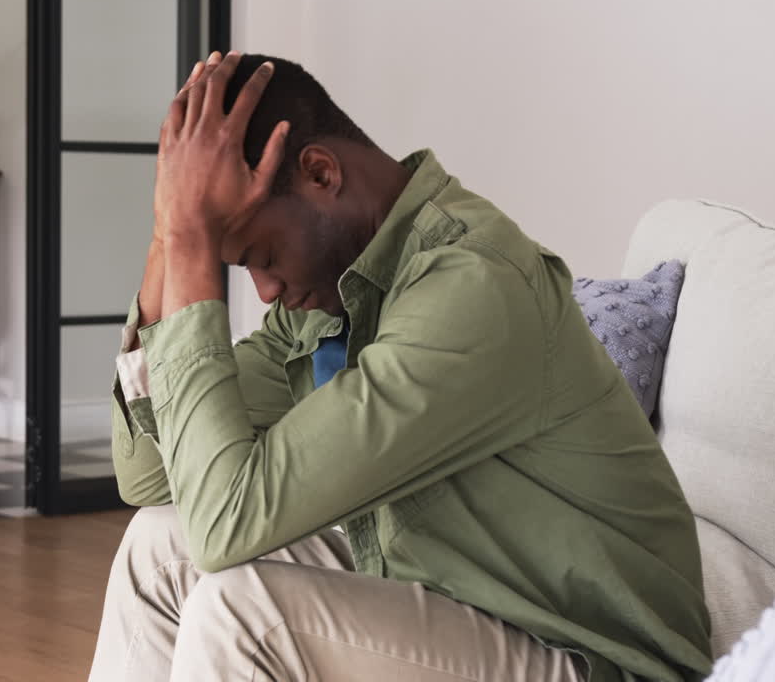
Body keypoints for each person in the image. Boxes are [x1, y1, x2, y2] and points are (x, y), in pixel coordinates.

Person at [88, 51, 713, 682]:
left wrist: (193, 236)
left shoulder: (472, 287)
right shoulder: (334, 293)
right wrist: (169, 232)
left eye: (261, 253)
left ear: (320, 173)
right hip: (458, 608)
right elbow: (146, 475)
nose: (265, 291)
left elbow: (227, 521)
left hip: (587, 658)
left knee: (247, 613)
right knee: (158, 546)